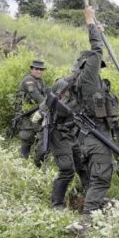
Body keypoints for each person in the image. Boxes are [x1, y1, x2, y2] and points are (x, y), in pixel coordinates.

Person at [73, 3, 119, 228]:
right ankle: (88, 220)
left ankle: (94, 205)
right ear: (88, 65)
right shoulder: (88, 78)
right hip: (95, 136)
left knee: (95, 176)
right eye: (95, 64)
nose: (99, 66)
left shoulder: (90, 81)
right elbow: (97, 50)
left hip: (92, 135)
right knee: (101, 177)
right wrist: (90, 22)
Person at [35, 61, 90, 210]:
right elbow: (49, 106)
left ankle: (90, 196)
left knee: (82, 165)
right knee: (67, 169)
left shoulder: (83, 89)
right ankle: (57, 205)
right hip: (56, 131)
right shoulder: (63, 85)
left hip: (70, 131)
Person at [14, 60, 47, 160]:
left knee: (39, 136)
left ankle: (35, 160)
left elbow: (44, 96)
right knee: (27, 137)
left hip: (35, 113)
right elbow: (37, 97)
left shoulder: (40, 81)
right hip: (25, 115)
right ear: (31, 69)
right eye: (36, 69)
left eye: (41, 69)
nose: (39, 71)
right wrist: (48, 104)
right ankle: (23, 160)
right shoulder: (28, 80)